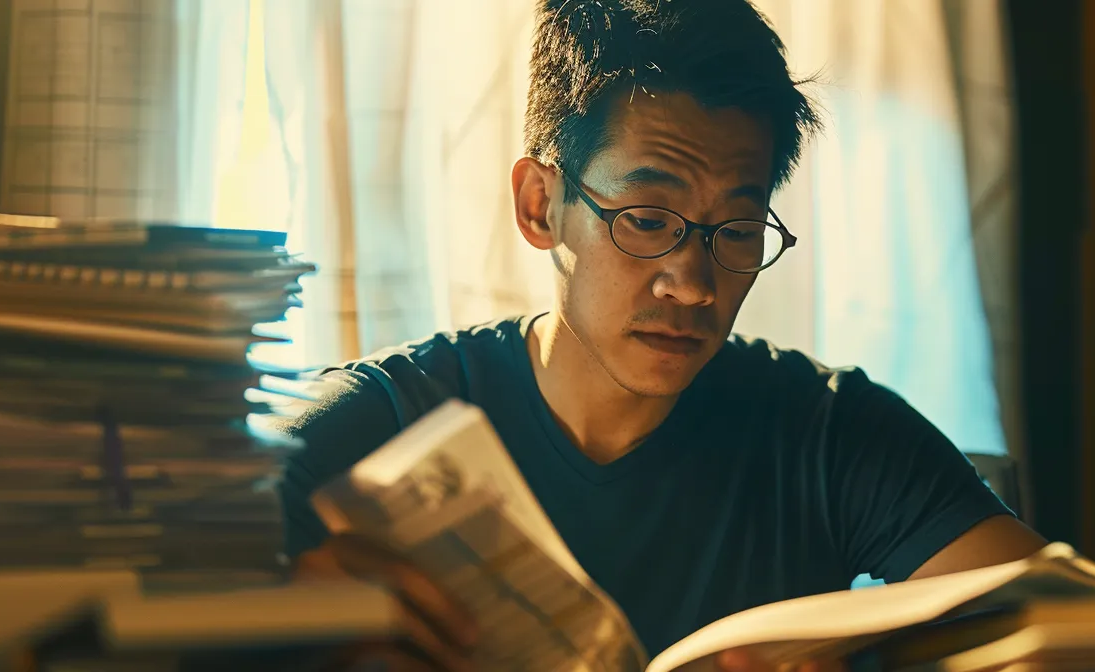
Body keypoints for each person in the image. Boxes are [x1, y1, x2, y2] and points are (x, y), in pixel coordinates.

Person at [278, 0, 1049, 669]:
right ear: (540, 204)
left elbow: (1053, 629)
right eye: (647, 220)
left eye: (738, 229)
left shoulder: (828, 433)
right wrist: (284, 607)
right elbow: (171, 579)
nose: (693, 282)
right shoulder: (379, 421)